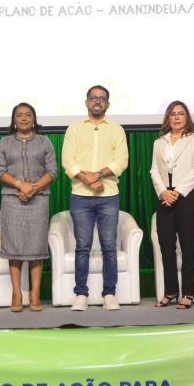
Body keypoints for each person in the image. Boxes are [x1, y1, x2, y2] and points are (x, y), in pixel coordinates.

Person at [61, 85, 129, 311]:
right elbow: (68, 161)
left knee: (109, 246)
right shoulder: (74, 129)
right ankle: (81, 294)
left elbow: (121, 161)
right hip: (81, 196)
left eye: (102, 99)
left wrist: (98, 175)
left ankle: (109, 294)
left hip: (108, 195)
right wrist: (88, 179)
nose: (97, 101)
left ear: (107, 104)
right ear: (87, 102)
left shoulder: (117, 129)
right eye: (93, 98)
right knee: (83, 247)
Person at [0, 102, 57, 312]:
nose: (23, 118)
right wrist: (20, 185)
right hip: (12, 199)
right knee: (14, 247)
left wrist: (33, 187)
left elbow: (52, 171)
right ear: (13, 119)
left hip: (39, 199)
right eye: (19, 115)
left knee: (36, 247)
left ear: (34, 119)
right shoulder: (4, 142)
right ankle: (16, 292)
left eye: (28, 115)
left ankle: (35, 292)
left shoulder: (45, 142)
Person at [150, 101, 194, 309]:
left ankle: (189, 292)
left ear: (187, 117)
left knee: (188, 245)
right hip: (164, 196)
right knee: (166, 246)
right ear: (167, 118)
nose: (177, 117)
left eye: (181, 114)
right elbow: (154, 170)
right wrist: (163, 191)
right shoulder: (159, 142)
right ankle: (171, 291)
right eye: (173, 114)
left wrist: (178, 192)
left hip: (188, 196)